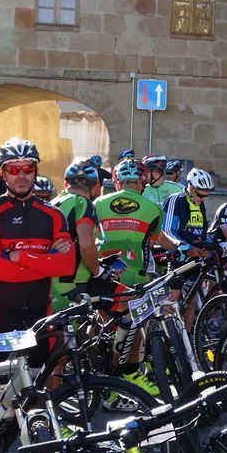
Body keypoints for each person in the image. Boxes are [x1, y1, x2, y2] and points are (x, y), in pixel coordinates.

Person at [0, 137, 74, 375]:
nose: (21, 175)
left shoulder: (53, 214)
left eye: (28, 168)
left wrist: (19, 257)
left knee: (41, 380)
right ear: (2, 173)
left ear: (36, 171)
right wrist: (47, 260)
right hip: (0, 310)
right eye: (13, 169)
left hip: (40, 310)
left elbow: (67, 266)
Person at [94, 158, 181, 396]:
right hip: (135, 277)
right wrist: (182, 248)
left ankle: (100, 375)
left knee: (102, 325)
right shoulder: (152, 208)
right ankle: (129, 374)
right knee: (136, 326)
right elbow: (156, 242)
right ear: (142, 181)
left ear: (117, 181)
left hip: (102, 276)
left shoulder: (98, 204)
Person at [163, 168, 214, 329]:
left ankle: (188, 337)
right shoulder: (176, 200)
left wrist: (205, 246)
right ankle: (168, 336)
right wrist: (185, 248)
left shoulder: (200, 204)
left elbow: (202, 230)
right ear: (191, 187)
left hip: (195, 259)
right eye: (200, 195)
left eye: (206, 196)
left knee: (190, 301)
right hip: (178, 257)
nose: (202, 199)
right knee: (172, 299)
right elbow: (167, 230)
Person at [50, 160, 101, 313]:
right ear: (95, 187)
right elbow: (86, 245)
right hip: (72, 283)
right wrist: (97, 271)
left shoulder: (53, 203)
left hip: (48, 281)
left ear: (66, 184)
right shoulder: (83, 203)